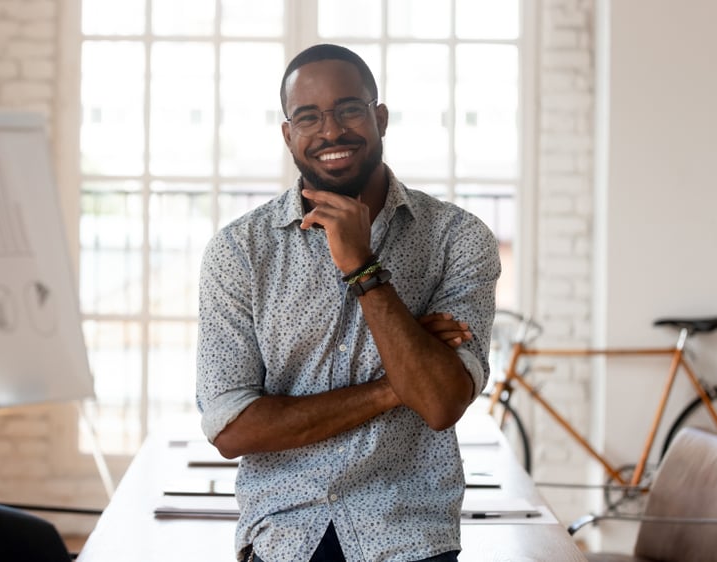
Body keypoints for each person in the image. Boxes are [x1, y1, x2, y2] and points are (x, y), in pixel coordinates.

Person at [196, 43, 501, 562]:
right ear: (288, 133)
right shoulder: (240, 251)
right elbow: (232, 428)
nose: (332, 131)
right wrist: (394, 385)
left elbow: (442, 402)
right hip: (283, 538)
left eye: (349, 110)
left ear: (379, 117)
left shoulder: (458, 239)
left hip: (410, 540)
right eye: (309, 116)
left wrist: (363, 269)